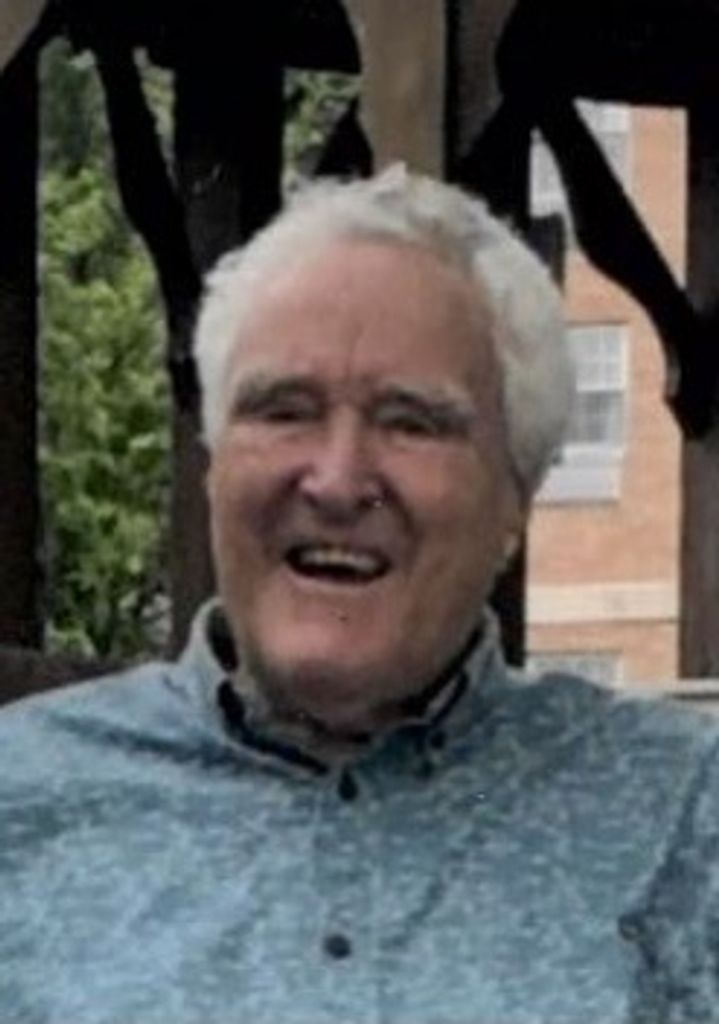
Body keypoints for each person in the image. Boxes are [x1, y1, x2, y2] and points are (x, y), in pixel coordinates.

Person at [1, 166, 719, 1024]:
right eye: (284, 410)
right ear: (212, 466)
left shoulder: (684, 810)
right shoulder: (21, 798)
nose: (337, 480)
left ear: (515, 501)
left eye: (410, 421)